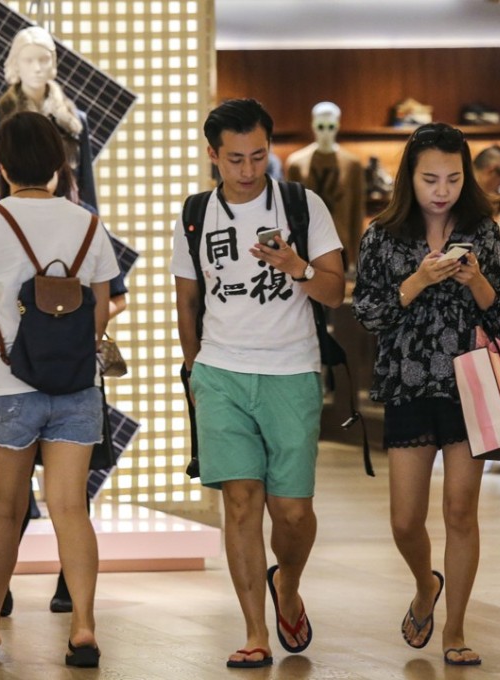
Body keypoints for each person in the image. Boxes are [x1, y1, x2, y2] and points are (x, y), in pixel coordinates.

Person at [0, 111, 119, 668]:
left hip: (7, 387)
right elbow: (100, 312)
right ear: (59, 163)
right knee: (70, 509)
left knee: (5, 512)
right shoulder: (87, 223)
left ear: (1, 165)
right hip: (77, 386)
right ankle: (82, 629)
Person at [172, 98, 345, 669]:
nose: (248, 171)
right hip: (221, 373)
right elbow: (188, 300)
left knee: (292, 512)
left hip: (291, 370)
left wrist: (295, 266)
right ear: (213, 157)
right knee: (241, 506)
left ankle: (287, 586)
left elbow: (334, 291)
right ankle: (254, 632)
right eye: (235, 159)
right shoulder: (196, 213)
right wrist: (196, 370)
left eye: (258, 156)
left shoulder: (303, 204)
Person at [351, 122, 500, 667]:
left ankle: (456, 628)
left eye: (452, 177)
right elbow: (369, 314)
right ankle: (426, 585)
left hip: (470, 382)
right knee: (404, 520)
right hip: (408, 381)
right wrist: (420, 279)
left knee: (460, 510)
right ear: (410, 178)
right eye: (430, 178)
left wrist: (474, 281)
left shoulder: (485, 232)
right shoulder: (382, 234)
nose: (441, 189)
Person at [0, 26, 96, 208]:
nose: (37, 68)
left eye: (44, 59)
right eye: (28, 60)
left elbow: (86, 184)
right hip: (14, 220)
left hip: (66, 220)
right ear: (16, 63)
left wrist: (92, 222)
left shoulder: (74, 120)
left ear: (53, 61)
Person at [286, 101, 365, 269]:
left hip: (340, 243)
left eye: (331, 126)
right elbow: (289, 209)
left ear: (338, 126)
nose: (326, 133)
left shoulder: (352, 164)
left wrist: (357, 253)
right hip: (307, 243)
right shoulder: (296, 163)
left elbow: (356, 210)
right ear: (313, 126)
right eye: (321, 126)